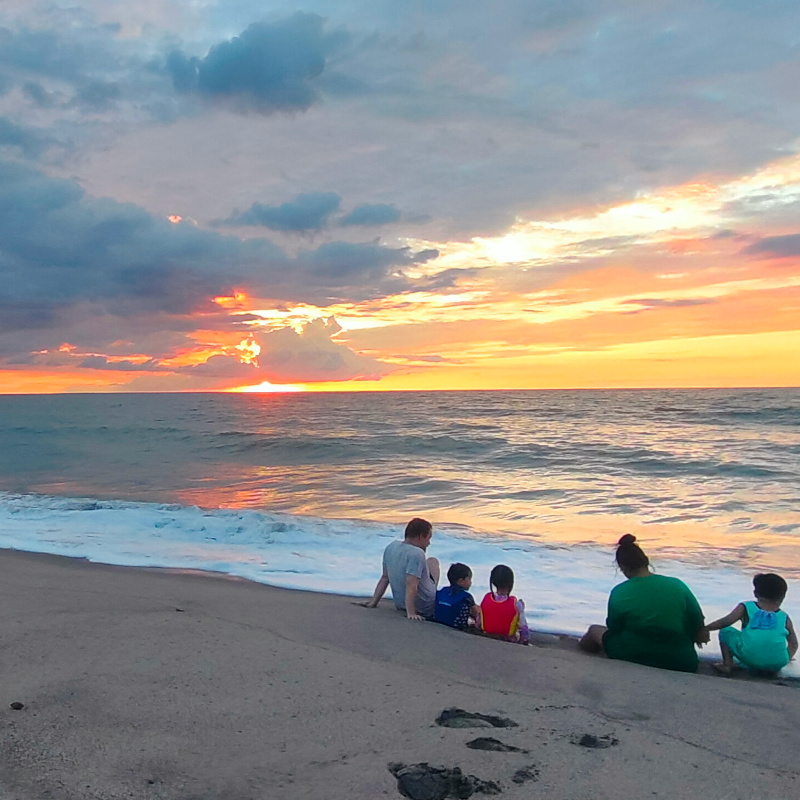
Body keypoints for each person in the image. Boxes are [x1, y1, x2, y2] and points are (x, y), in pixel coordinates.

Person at [579, 534, 708, 673]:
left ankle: (579, 648)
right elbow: (698, 621)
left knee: (594, 630)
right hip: (682, 661)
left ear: (621, 567)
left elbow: (615, 628)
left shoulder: (620, 592)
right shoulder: (677, 585)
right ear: (646, 561)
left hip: (634, 655)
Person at [704, 573, 798, 675]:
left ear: (755, 593)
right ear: (783, 596)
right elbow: (794, 643)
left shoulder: (746, 607)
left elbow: (725, 622)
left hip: (749, 657)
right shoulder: (784, 616)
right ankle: (772, 665)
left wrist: (705, 628)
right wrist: (786, 658)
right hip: (778, 663)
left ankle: (727, 664)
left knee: (725, 631)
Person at [363, 518, 440, 620]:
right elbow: (411, 584)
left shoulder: (391, 547)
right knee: (433, 562)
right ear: (421, 536)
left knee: (429, 561)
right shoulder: (417, 553)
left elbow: (385, 578)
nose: (428, 543)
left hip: (400, 604)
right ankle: (428, 595)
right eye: (428, 539)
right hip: (425, 607)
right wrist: (411, 613)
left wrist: (373, 602)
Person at [479, 564, 529, 645]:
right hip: (508, 639)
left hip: (487, 634)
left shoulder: (486, 598)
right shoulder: (516, 604)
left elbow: (479, 622)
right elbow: (524, 628)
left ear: (493, 582)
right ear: (511, 583)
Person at [434, 563, 480, 630]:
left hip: (438, 621)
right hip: (457, 626)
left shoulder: (443, 590)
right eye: (469, 579)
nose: (471, 582)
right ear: (461, 581)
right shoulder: (467, 597)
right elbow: (476, 615)